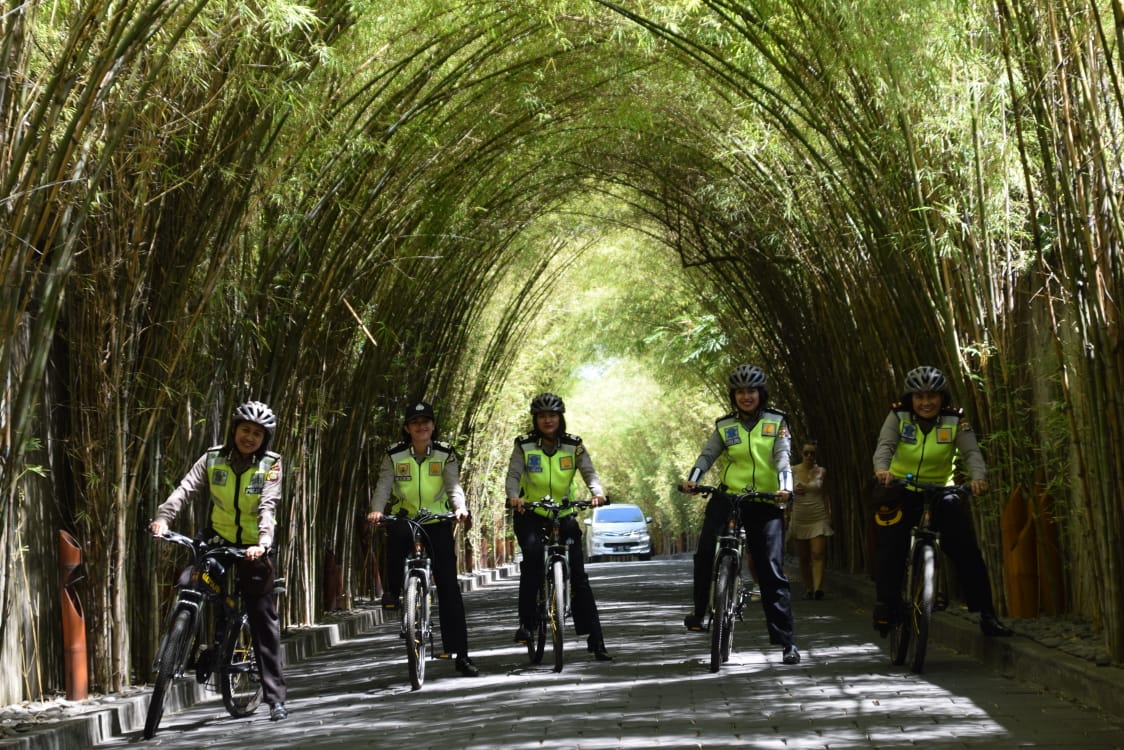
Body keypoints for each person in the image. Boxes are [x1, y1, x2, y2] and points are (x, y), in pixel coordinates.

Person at [149, 400, 290, 721]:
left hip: (254, 545)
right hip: (218, 539)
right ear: (234, 429)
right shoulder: (214, 458)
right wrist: (163, 519)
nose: (249, 437)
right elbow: (185, 489)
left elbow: (268, 506)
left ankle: (275, 698)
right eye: (245, 430)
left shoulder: (271, 463)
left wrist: (264, 542)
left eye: (257, 433)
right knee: (189, 582)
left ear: (265, 438)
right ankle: (187, 644)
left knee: (262, 616)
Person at [872, 365, 1013, 638]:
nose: (926, 402)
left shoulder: (955, 419)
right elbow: (885, 446)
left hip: (941, 492)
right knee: (890, 547)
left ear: (942, 397)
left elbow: (971, 452)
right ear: (910, 398)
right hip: (902, 488)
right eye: (919, 396)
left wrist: (978, 478)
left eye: (932, 396)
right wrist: (882, 470)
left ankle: (986, 614)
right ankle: (887, 606)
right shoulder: (898, 416)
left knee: (966, 550)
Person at [682, 365, 800, 665]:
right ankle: (700, 613)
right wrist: (693, 479)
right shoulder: (725, 426)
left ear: (761, 393)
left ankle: (787, 642)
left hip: (766, 499)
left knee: (771, 568)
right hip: (729, 496)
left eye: (752, 391)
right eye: (740, 392)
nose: (746, 396)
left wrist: (785, 489)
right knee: (706, 550)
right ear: (733, 396)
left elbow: (783, 456)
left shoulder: (777, 421)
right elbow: (708, 455)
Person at [367, 401, 479, 677]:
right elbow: (383, 485)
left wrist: (459, 509)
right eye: (415, 422)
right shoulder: (394, 455)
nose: (421, 426)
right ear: (407, 428)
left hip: (437, 520)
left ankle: (461, 654)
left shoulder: (444, 454)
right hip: (406, 517)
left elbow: (453, 486)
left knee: (449, 587)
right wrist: (377, 509)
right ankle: (394, 593)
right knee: (394, 541)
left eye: (426, 421)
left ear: (433, 426)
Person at [505, 392, 612, 661]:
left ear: (560, 418)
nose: (548, 420)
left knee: (578, 575)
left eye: (552, 415)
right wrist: (513, 496)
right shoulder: (524, 445)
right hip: (531, 512)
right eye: (542, 416)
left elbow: (589, 471)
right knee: (531, 561)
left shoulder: (573, 445)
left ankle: (595, 640)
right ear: (535, 420)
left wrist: (597, 492)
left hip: (563, 512)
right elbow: (514, 474)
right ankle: (528, 624)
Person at [788, 440, 833, 599]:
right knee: (804, 557)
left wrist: (829, 513)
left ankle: (818, 589)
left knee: (817, 553)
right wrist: (792, 491)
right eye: (806, 453)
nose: (809, 456)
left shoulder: (821, 471)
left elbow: (826, 494)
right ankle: (808, 587)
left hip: (818, 515)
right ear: (801, 453)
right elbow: (784, 493)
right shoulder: (792, 470)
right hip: (800, 516)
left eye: (812, 453)